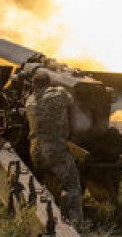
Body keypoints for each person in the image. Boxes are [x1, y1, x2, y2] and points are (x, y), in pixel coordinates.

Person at [25, 69, 83, 224]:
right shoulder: (60, 94)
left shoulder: (29, 100)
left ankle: (43, 215)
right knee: (72, 185)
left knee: (46, 180)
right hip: (55, 149)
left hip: (35, 150)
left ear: (33, 84)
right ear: (50, 83)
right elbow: (71, 100)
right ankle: (74, 222)